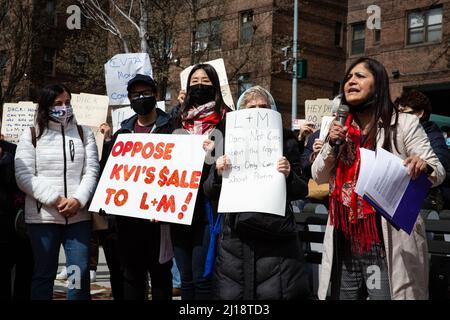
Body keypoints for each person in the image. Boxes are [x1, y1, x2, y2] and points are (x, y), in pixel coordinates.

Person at [312, 57, 446, 300]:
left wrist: (423, 166)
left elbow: (437, 170)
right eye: (348, 78)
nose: (351, 81)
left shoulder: (404, 124)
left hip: (385, 239)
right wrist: (332, 143)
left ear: (379, 84)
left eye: (360, 76)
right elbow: (318, 175)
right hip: (344, 237)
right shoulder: (338, 126)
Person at [204, 85, 311, 299]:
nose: (257, 111)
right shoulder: (225, 141)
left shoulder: (287, 140)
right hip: (235, 239)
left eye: (263, 106)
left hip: (276, 239)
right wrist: (217, 172)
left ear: (272, 110)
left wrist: (289, 175)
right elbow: (209, 191)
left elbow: (302, 190)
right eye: (250, 107)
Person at [14, 83, 100, 300]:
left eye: (68, 103)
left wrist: (78, 200)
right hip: (43, 219)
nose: (64, 107)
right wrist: (56, 199)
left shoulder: (84, 133)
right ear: (45, 106)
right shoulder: (31, 134)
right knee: (44, 274)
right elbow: (24, 175)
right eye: (58, 104)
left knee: (77, 274)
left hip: (78, 218)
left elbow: (91, 171)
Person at [101, 74, 173, 300]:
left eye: (146, 94)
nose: (141, 98)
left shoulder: (171, 129)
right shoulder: (122, 135)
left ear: (156, 95)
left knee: (161, 277)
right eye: (136, 95)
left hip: (159, 220)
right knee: (132, 277)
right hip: (128, 221)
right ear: (130, 99)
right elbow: (109, 173)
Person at [171, 63, 231, 300]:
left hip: (207, 208)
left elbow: (229, 161)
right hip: (178, 206)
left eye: (205, 82)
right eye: (194, 81)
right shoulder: (178, 119)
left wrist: (214, 153)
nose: (199, 85)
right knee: (185, 278)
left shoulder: (226, 119)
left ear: (215, 86)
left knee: (201, 276)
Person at [395, 89, 450, 210]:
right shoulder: (393, 132)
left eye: (406, 113)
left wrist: (424, 167)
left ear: (420, 113)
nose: (401, 118)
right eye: (398, 113)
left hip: (423, 203)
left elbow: (440, 168)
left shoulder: (432, 134)